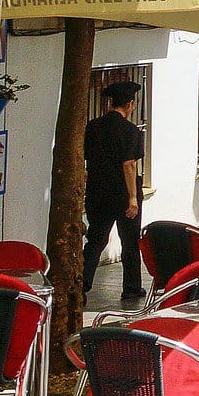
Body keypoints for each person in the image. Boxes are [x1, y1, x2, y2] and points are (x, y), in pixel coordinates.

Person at [83, 80, 146, 302]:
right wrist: (132, 198)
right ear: (129, 104)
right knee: (130, 242)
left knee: (96, 240)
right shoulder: (131, 131)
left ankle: (81, 284)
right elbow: (129, 165)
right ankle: (131, 288)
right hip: (122, 195)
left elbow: (85, 159)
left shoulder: (92, 127)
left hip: (97, 193)